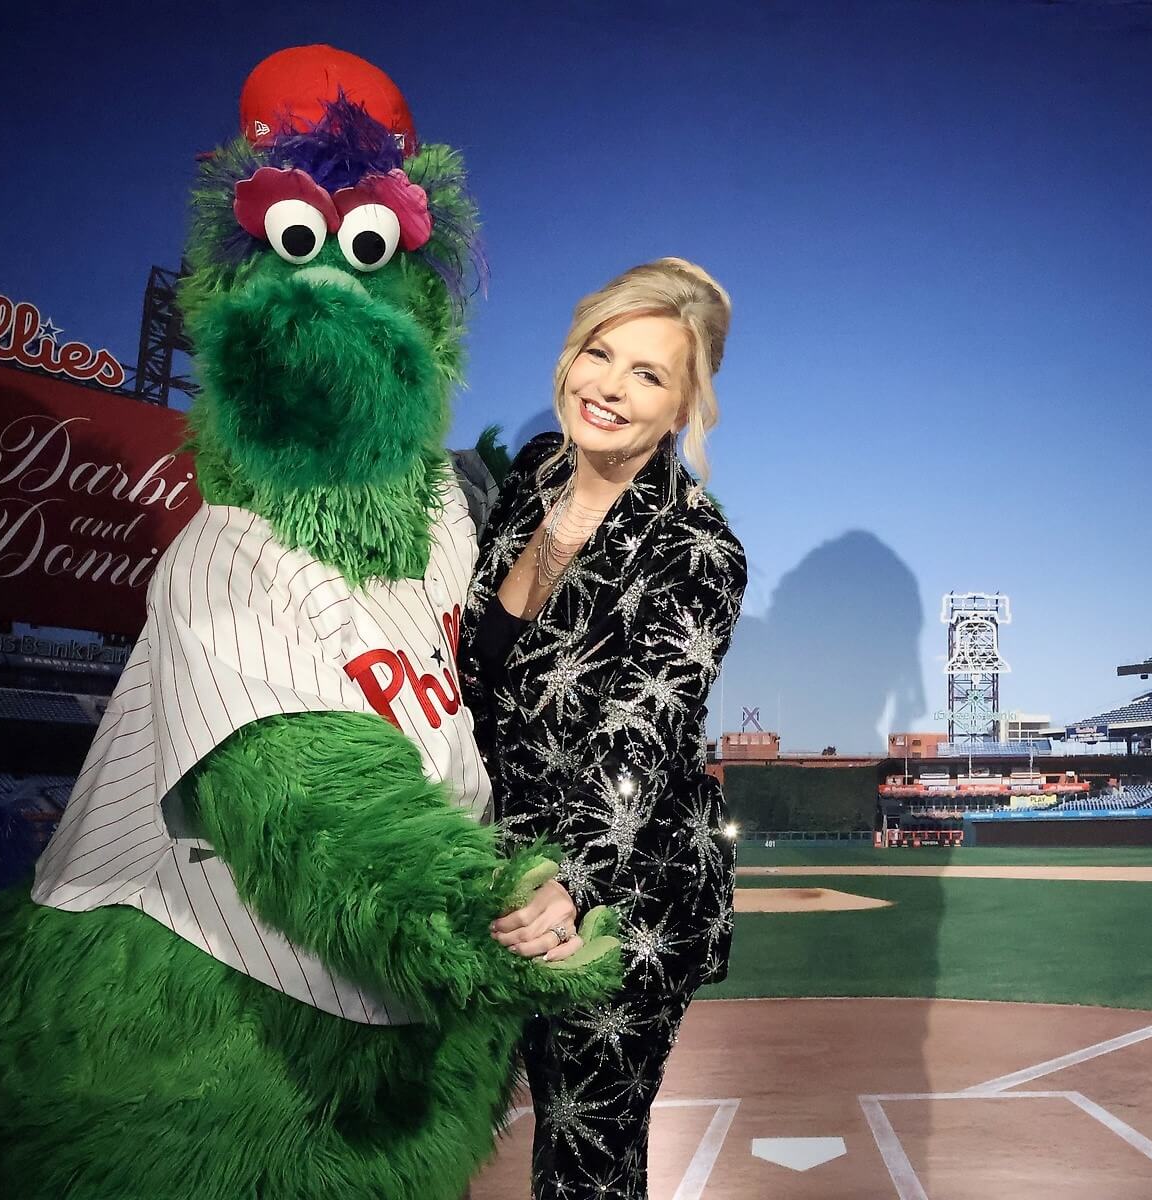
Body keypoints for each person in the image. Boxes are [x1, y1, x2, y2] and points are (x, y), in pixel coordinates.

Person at [460, 257, 747, 1198]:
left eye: (649, 375)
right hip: (501, 868)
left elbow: (645, 730)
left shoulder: (698, 548)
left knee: (585, 1166)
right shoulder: (534, 474)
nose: (611, 388)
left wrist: (575, 880)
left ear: (683, 409)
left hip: (623, 896)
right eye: (600, 352)